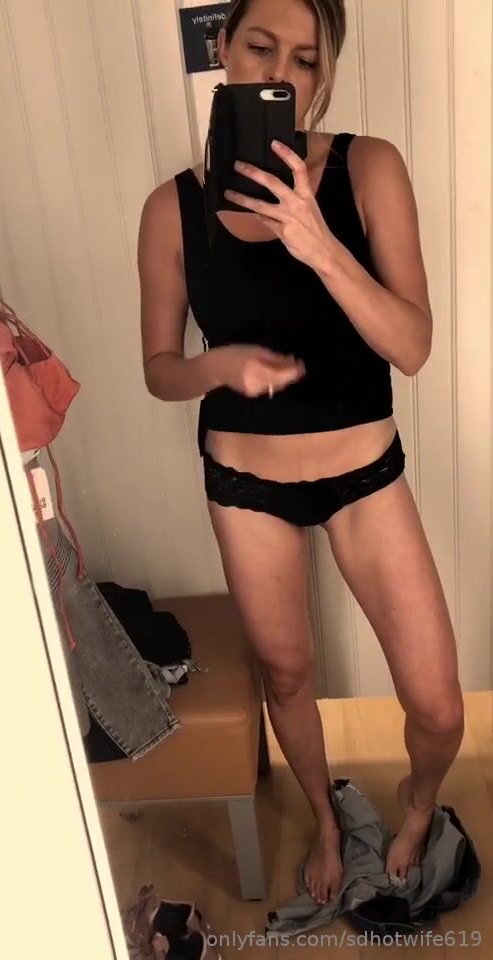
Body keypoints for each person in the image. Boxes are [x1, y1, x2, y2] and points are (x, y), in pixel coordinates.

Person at [137, 0, 464, 908]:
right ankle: (324, 820)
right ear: (223, 47)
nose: (281, 71)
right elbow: (160, 370)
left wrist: (318, 245)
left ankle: (417, 805)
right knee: (285, 672)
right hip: (247, 484)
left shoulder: (369, 167)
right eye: (259, 45)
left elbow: (412, 345)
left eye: (306, 59)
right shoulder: (172, 208)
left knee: (438, 705)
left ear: (324, 75)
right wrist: (215, 366)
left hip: (364, 476)